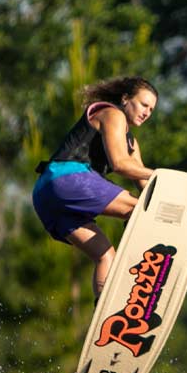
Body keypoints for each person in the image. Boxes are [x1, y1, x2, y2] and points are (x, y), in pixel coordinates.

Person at [32, 76, 158, 297]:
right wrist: (165, 176)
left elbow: (146, 186)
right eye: (144, 104)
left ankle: (102, 322)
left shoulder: (132, 143)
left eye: (152, 109)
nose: (147, 112)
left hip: (46, 196)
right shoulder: (113, 114)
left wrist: (182, 199)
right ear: (126, 99)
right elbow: (119, 164)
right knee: (141, 210)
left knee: (105, 256)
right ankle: (142, 272)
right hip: (67, 179)